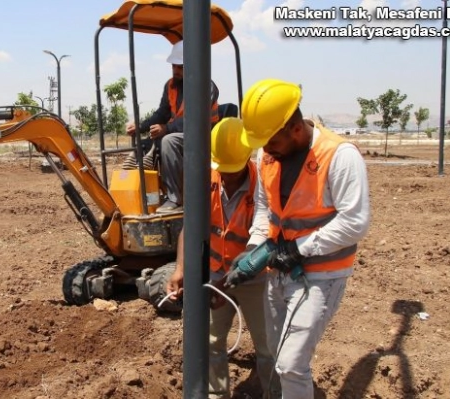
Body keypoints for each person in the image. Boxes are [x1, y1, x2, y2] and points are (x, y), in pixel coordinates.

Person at [229, 78, 371, 398]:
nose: (265, 149)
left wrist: (300, 248)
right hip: (279, 271)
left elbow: (356, 222)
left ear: (294, 128)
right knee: (279, 357)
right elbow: (266, 209)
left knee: (292, 363)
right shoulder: (268, 156)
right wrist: (254, 248)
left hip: (321, 276)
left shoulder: (339, 156)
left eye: (270, 141)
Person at [165, 117, 277, 399]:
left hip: (256, 278)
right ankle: (216, 394)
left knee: (267, 346)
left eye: (233, 170)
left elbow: (266, 242)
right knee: (211, 340)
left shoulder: (262, 187)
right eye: (222, 169)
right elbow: (189, 228)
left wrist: (225, 284)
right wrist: (180, 268)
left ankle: (275, 394)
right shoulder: (207, 180)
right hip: (216, 272)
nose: (226, 176)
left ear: (247, 158)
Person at [124, 40, 220, 213]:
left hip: (203, 136)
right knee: (144, 144)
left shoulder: (206, 86)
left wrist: (166, 129)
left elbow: (195, 118)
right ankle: (143, 196)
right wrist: (141, 127)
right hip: (181, 135)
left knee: (168, 140)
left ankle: (174, 199)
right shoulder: (171, 86)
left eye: (180, 67)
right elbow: (162, 113)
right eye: (174, 66)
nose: (176, 70)